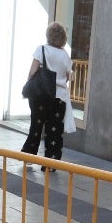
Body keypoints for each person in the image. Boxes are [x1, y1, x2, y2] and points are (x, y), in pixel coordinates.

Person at [20, 21, 72, 170]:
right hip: (59, 98)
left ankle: (28, 157)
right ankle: (51, 163)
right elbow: (68, 76)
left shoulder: (41, 50)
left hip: (40, 95)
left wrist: (28, 85)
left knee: (36, 126)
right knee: (54, 130)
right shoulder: (65, 55)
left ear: (49, 35)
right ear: (63, 38)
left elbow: (32, 71)